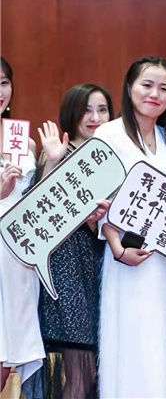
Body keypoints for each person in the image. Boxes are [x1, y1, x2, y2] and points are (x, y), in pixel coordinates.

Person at [94, 56, 166, 398]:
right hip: (128, 258)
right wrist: (118, 250)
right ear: (129, 87)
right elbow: (98, 201)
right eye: (147, 85)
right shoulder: (108, 134)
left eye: (164, 88)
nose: (155, 94)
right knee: (134, 345)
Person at [26, 85, 114, 399]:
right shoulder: (58, 151)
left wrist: (97, 223)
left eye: (102, 110)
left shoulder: (114, 157)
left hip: (102, 270)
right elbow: (35, 213)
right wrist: (52, 162)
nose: (95, 117)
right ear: (72, 113)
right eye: (86, 110)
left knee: (95, 372)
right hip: (67, 273)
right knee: (80, 368)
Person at [0, 58, 66, 391]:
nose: (0, 91)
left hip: (18, 254)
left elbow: (38, 200)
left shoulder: (22, 142)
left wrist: (52, 162)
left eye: (3, 83)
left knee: (9, 348)